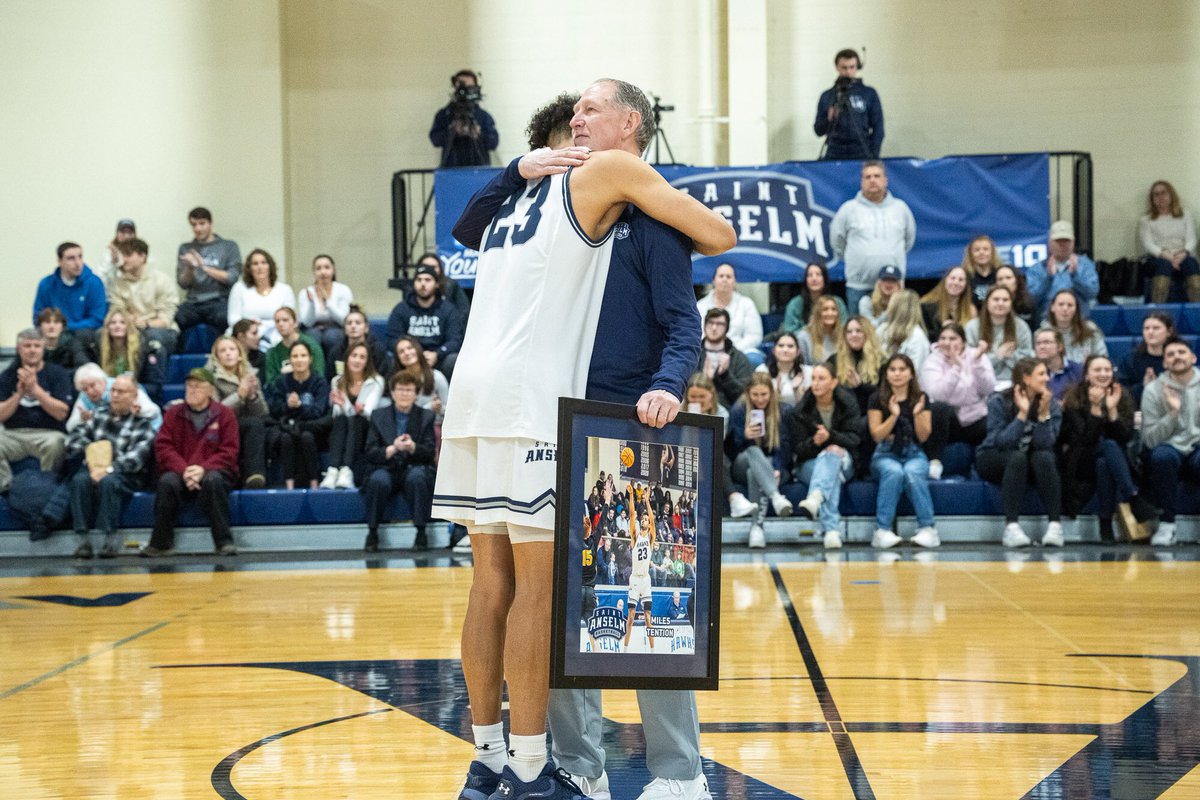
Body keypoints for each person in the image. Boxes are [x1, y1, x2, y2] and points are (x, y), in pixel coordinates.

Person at [436, 80, 732, 800]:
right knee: (563, 606)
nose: (576, 130)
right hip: (553, 412)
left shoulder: (648, 218)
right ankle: (574, 764)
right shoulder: (544, 205)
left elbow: (685, 320)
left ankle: (677, 772)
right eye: (567, 126)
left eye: (589, 115)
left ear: (630, 126)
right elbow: (471, 227)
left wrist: (668, 383)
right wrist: (520, 173)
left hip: (632, 418)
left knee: (647, 602)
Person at [142, 368, 239, 557]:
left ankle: (224, 542)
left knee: (213, 481)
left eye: (198, 386)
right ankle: (161, 543)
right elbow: (163, 447)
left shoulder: (225, 414)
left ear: (210, 390)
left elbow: (229, 450)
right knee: (167, 482)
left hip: (214, 470)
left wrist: (203, 469)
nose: (192, 390)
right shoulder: (173, 413)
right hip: (181, 470)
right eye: (189, 386)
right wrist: (184, 470)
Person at [1058, 356, 1156, 541]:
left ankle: (1105, 522)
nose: (1103, 374)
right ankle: (1133, 497)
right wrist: (1095, 409)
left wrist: (1112, 411)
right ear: (1087, 375)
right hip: (1080, 460)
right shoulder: (1074, 397)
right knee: (1107, 446)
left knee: (1104, 461)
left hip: (1113, 459)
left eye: (1107, 370)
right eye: (1097, 370)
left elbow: (1125, 437)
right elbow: (1086, 440)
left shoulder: (1122, 394)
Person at [976, 357, 1064, 548]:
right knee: (1017, 458)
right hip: (993, 457)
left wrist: (1043, 416)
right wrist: (1022, 415)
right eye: (1041, 374)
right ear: (1026, 378)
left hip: (1028, 459)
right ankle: (1012, 528)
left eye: (1046, 373)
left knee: (1045, 458)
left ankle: (1055, 526)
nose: (1047, 378)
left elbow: (1046, 443)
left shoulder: (1051, 404)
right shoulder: (999, 401)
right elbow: (1001, 442)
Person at [65, 374, 155, 558]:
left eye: (121, 392)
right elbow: (73, 439)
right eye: (113, 390)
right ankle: (83, 540)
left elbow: (136, 459)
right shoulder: (98, 414)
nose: (115, 395)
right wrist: (92, 456)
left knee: (109, 483)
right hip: (94, 467)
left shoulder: (142, 424)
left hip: (126, 474)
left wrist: (107, 469)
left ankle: (109, 540)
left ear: (134, 396)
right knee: (79, 480)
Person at [787, 363, 863, 549]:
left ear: (834, 382)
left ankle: (816, 498)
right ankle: (830, 528)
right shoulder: (801, 410)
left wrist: (831, 437)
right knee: (830, 472)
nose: (816, 383)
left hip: (846, 461)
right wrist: (816, 442)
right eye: (813, 378)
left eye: (821, 379)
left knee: (833, 454)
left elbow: (856, 439)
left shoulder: (848, 403)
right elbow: (798, 449)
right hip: (810, 464)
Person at [867, 354, 938, 548]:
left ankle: (928, 528)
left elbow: (923, 436)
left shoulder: (921, 399)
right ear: (887, 374)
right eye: (892, 369)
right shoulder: (877, 398)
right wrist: (894, 416)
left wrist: (916, 415)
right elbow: (876, 435)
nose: (897, 374)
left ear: (911, 374)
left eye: (902, 369)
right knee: (894, 471)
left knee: (913, 473)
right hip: (885, 453)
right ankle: (882, 530)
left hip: (914, 451)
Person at [362, 371, 436, 551]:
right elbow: (370, 451)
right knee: (378, 481)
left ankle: (421, 532)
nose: (404, 394)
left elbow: (429, 451)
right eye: (400, 389)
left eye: (409, 390)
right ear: (393, 392)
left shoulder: (426, 416)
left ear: (416, 393)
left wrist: (412, 447)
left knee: (417, 478)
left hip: (414, 465)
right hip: (386, 466)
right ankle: (372, 533)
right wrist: (392, 448)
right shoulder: (378, 415)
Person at [830, 161, 915, 314]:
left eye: (877, 176)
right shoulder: (848, 209)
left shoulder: (901, 208)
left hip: (893, 286)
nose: (872, 180)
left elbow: (908, 241)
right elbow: (837, 243)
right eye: (867, 177)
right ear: (861, 182)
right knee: (857, 333)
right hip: (858, 286)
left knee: (895, 332)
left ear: (885, 180)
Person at [1140, 337, 1200, 547]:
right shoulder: (1153, 390)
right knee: (1162, 456)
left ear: (1193, 357)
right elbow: (1149, 439)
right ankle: (1167, 524)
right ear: (1164, 363)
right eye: (1171, 355)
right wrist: (1173, 413)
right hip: (1170, 447)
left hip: (1198, 448)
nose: (1176, 357)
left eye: (1181, 352)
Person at [0, 329, 74, 493]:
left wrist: (35, 390)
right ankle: (6, 492)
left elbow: (61, 413)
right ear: (19, 349)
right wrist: (19, 394)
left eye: (36, 346)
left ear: (43, 349)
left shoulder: (58, 373)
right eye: (27, 346)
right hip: (14, 435)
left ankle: (46, 491)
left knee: (57, 444)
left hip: (48, 434)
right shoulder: (7, 376)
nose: (32, 350)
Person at [920, 323, 994, 479]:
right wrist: (955, 369)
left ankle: (984, 467)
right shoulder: (931, 361)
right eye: (943, 338)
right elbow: (938, 395)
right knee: (938, 408)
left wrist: (977, 364)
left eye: (953, 338)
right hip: (949, 421)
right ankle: (935, 461)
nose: (947, 343)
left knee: (994, 415)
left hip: (974, 417)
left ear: (963, 341)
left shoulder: (977, 356)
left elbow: (987, 389)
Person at [728, 373, 794, 548]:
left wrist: (778, 468)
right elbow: (731, 449)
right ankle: (775, 496)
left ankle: (757, 528)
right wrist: (745, 436)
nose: (760, 399)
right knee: (752, 450)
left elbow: (786, 446)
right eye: (755, 395)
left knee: (754, 473)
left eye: (764, 394)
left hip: (774, 466)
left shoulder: (783, 410)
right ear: (748, 393)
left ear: (771, 393)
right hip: (743, 461)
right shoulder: (739, 410)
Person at [266, 341, 331, 490]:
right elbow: (274, 409)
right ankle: (289, 485)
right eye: (295, 356)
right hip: (288, 427)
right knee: (286, 438)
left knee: (306, 436)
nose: (299, 359)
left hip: (312, 429)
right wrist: (287, 406)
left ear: (310, 359)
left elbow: (318, 411)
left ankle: (314, 483)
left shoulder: (319, 382)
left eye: (303, 355)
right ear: (290, 360)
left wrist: (300, 406)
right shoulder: (282, 382)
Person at [207, 335, 269, 489]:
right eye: (223, 351)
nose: (228, 353)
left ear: (240, 354)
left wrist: (253, 396)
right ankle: (250, 473)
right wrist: (239, 395)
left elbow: (262, 413)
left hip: (246, 426)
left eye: (232, 349)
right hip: (219, 428)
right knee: (252, 424)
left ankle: (255, 476)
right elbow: (214, 412)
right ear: (216, 357)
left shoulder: (250, 374)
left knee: (257, 424)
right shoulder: (210, 379)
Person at [320, 342, 384, 489]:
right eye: (354, 355)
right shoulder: (337, 381)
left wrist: (347, 405)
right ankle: (333, 470)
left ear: (367, 361)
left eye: (362, 357)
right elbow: (338, 413)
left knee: (355, 420)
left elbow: (368, 412)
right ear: (347, 358)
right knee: (341, 419)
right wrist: (344, 405)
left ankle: (347, 470)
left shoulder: (376, 381)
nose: (357, 360)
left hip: (366, 428)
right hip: (343, 426)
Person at [384, 264, 465, 379]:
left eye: (428, 280)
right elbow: (392, 339)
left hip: (438, 358)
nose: (423, 284)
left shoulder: (448, 309)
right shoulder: (401, 309)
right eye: (419, 280)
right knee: (391, 360)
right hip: (410, 357)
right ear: (414, 284)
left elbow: (455, 340)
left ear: (436, 284)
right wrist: (414, 354)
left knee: (453, 360)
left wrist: (437, 354)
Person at [175, 207, 242, 339]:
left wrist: (203, 267)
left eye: (202, 224)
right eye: (194, 225)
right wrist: (189, 268)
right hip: (194, 302)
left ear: (210, 224)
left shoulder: (228, 246)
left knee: (224, 318)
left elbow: (232, 277)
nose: (198, 229)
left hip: (219, 300)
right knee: (178, 317)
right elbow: (183, 283)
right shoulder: (186, 248)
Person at [106, 238, 179, 354]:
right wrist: (127, 319)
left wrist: (146, 324)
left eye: (128, 255)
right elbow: (116, 309)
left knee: (151, 339)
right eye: (122, 255)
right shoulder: (118, 283)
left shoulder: (162, 280)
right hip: (129, 328)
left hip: (158, 329)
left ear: (143, 257)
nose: (124, 260)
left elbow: (166, 319)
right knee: (101, 334)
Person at [813, 48, 883, 160]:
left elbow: (878, 127)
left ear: (857, 67)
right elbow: (818, 131)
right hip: (834, 152)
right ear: (837, 67)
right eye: (844, 68)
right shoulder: (827, 96)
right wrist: (828, 119)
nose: (848, 72)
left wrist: (874, 155)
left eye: (852, 67)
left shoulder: (869, 93)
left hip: (861, 151)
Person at [32, 242, 108, 346]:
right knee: (29, 337)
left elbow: (97, 318)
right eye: (71, 258)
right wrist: (54, 328)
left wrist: (66, 327)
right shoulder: (46, 284)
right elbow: (38, 316)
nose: (78, 263)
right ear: (60, 261)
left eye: (80, 257)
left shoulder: (94, 283)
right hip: (53, 333)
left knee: (79, 337)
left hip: (83, 334)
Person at [1025, 220, 1099, 319]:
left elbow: (1092, 293)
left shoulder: (1085, 265)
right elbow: (1030, 300)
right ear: (1049, 242)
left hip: (1079, 323)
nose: (1062, 245)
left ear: (1073, 242)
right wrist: (1048, 278)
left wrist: (1076, 276)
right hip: (1046, 323)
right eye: (1058, 241)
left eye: (1066, 241)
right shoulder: (1037, 268)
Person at [1140, 180, 1199, 303]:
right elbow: (1148, 244)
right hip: (1158, 258)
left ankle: (1196, 308)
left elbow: (1192, 239)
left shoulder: (1186, 215)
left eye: (1163, 193)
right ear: (1152, 199)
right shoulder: (1146, 219)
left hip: (1182, 255)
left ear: (1171, 195)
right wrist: (1168, 257)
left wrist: (1183, 254)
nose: (1160, 197)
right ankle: (1158, 310)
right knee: (1164, 265)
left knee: (1191, 264)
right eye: (1156, 194)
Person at [695, 263, 764, 366]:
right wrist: (714, 349)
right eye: (721, 276)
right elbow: (696, 335)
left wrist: (731, 350)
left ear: (735, 281)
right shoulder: (700, 305)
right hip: (707, 350)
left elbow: (755, 336)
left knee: (755, 359)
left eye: (729, 277)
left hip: (739, 351)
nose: (724, 280)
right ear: (713, 280)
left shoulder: (746, 303)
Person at [964, 285, 1034, 386]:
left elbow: (1027, 362)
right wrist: (997, 356)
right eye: (996, 299)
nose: (1000, 303)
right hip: (980, 383)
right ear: (987, 302)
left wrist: (1009, 356)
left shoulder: (1021, 327)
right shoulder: (972, 327)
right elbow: (969, 362)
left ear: (1011, 303)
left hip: (1014, 383)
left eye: (1005, 300)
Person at [226, 248, 295, 348]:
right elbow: (233, 319)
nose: (260, 267)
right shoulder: (239, 288)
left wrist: (264, 326)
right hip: (247, 332)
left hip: (276, 331)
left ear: (270, 266)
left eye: (263, 263)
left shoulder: (284, 289)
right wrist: (250, 324)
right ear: (249, 268)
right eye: (255, 264)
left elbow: (289, 318)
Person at [429, 68, 499, 167]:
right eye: (462, 87)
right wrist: (452, 131)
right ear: (454, 87)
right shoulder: (444, 114)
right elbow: (435, 140)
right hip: (451, 170)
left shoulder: (483, 116)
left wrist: (479, 134)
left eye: (469, 87)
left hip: (479, 170)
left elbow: (493, 143)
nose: (465, 91)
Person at [66, 362, 161, 433]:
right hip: (112, 434)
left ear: (102, 380)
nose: (90, 391)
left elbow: (153, 411)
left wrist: (139, 411)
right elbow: (69, 426)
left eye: (92, 385)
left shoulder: (123, 385)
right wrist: (81, 419)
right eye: (85, 389)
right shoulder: (84, 396)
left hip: (144, 431)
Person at [94, 310, 166, 402]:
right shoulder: (98, 348)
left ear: (129, 326)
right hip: (109, 396)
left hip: (138, 396)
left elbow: (154, 385)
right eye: (113, 323)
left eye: (122, 322)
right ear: (107, 327)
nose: (117, 326)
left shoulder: (146, 348)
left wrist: (127, 391)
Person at [298, 253, 353, 364]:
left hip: (337, 328)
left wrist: (327, 301)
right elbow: (307, 322)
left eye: (327, 267)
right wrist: (312, 303)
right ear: (314, 272)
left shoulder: (343, 290)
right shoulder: (306, 292)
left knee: (331, 337)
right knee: (313, 337)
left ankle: (334, 373)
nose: (323, 272)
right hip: (312, 328)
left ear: (333, 270)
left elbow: (344, 320)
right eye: (318, 268)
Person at [698, 307, 754, 410]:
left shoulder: (739, 358)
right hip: (693, 408)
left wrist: (725, 375)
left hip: (726, 410)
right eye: (710, 323)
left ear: (727, 328)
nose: (714, 328)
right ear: (705, 325)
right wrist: (704, 379)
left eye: (719, 324)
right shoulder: (693, 354)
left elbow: (744, 395)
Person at [829, 315, 883, 417]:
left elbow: (884, 394)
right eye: (849, 332)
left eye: (858, 331)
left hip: (871, 416)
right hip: (843, 416)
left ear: (867, 334)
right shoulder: (834, 360)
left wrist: (860, 387)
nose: (854, 335)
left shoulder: (881, 360)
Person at [1117, 311, 1174, 405]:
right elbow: (1120, 392)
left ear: (1169, 332)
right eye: (1146, 328)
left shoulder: (1177, 357)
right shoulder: (1130, 359)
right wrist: (1143, 386)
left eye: (1156, 328)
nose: (1150, 332)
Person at [779, 262, 847, 337]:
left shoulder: (837, 302)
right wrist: (809, 330)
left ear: (825, 279)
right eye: (810, 275)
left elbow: (844, 329)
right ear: (806, 280)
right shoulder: (795, 304)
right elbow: (789, 332)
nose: (814, 279)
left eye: (818, 274)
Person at [391, 335, 449, 423]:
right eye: (401, 351)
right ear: (398, 358)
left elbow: (448, 408)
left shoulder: (436, 376)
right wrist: (429, 407)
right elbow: (400, 412)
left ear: (417, 350)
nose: (407, 353)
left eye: (410, 348)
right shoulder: (396, 381)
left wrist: (439, 407)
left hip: (433, 425)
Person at [1041, 289, 1107, 365]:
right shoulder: (1043, 332)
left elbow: (1102, 357)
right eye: (1061, 304)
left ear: (1076, 309)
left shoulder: (1090, 329)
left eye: (1070, 305)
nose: (1065, 308)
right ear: (1052, 307)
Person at [263, 307, 325, 385]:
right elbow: (271, 384)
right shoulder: (273, 353)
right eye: (277, 321)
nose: (281, 324)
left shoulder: (312, 346)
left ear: (295, 323)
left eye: (285, 320)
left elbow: (319, 376)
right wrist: (283, 376)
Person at [329, 305, 389, 380]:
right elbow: (330, 378)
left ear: (366, 328)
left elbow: (384, 377)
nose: (353, 326)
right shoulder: (336, 352)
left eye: (358, 323)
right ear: (344, 329)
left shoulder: (377, 350)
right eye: (349, 323)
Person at [876, 289, 930, 371]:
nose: (888, 308)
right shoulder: (882, 329)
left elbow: (915, 370)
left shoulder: (917, 337)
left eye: (890, 303)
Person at [756, 332, 810, 405]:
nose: (785, 350)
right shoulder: (762, 371)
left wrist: (796, 390)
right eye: (781, 346)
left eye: (790, 346)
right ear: (774, 350)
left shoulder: (808, 372)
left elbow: (808, 407)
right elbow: (758, 402)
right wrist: (776, 393)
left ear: (798, 352)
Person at [920, 265, 977, 333]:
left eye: (961, 280)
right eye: (952, 278)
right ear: (945, 280)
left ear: (966, 285)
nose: (956, 283)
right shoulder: (927, 305)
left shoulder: (970, 310)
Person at [1034, 328, 1084, 402]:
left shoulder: (1078, 370)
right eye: (1038, 343)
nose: (1041, 347)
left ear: (1060, 347)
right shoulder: (1031, 372)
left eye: (1047, 342)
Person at [796, 295, 843, 366]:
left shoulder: (843, 335)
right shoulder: (804, 337)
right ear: (818, 313)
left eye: (834, 309)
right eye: (825, 309)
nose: (830, 313)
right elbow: (802, 366)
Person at [962, 234, 1004, 307]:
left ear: (992, 253)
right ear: (970, 254)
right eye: (977, 250)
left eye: (986, 249)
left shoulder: (1001, 274)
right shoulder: (964, 276)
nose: (981, 252)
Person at [994, 264, 1038, 329]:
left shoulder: (1029, 302)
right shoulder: (991, 303)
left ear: (1017, 280)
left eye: (1008, 278)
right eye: (1000, 279)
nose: (1004, 282)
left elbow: (1035, 328)